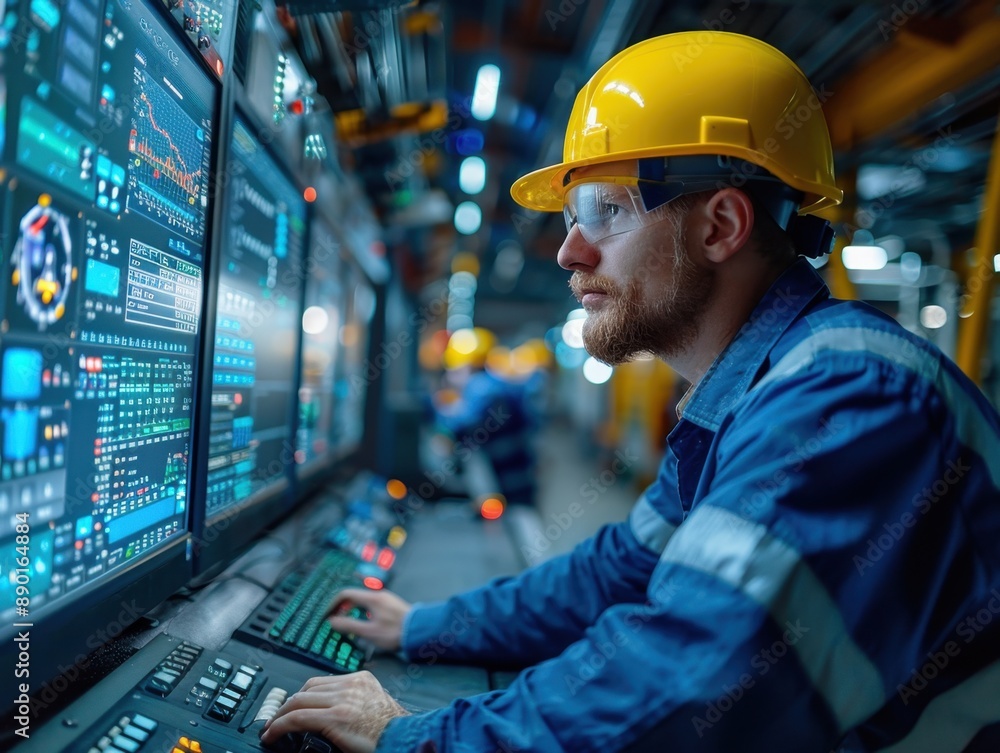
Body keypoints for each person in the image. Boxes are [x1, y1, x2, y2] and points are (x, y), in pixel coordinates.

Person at [261, 31, 1000, 752]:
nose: (567, 251)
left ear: (720, 225)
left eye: (604, 213)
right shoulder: (738, 400)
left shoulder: (844, 396)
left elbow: (687, 681)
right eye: (571, 217)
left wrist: (414, 734)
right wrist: (425, 624)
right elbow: (616, 571)